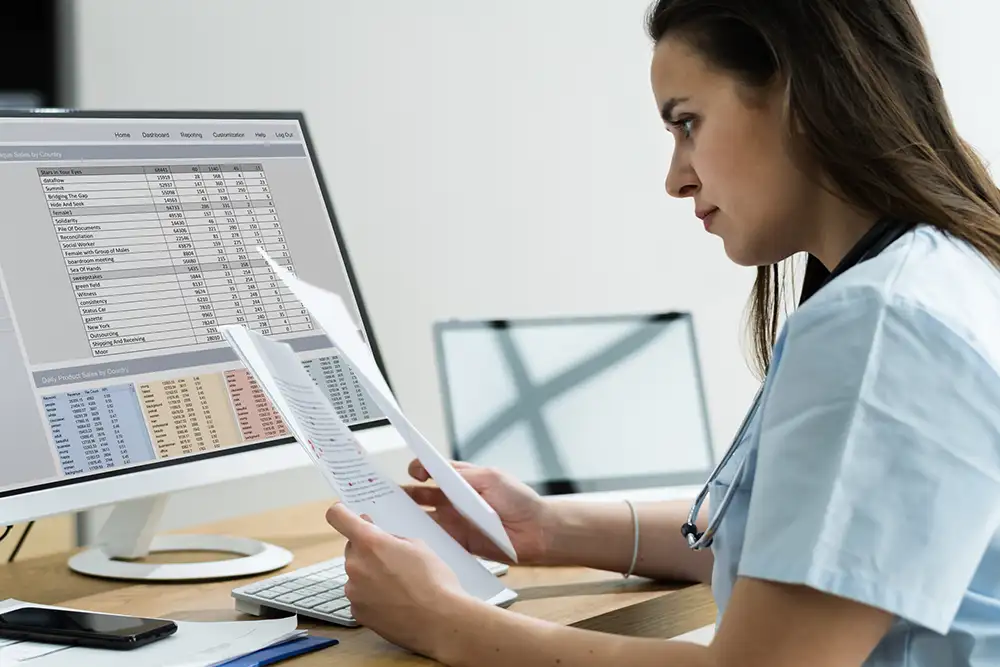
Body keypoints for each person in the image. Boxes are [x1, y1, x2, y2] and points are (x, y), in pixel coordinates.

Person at [324, 0, 1000, 664]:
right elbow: (808, 542)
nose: (676, 177)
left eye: (687, 123)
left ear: (799, 91)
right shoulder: (944, 273)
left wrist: (445, 621)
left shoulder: (881, 325)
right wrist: (543, 527)